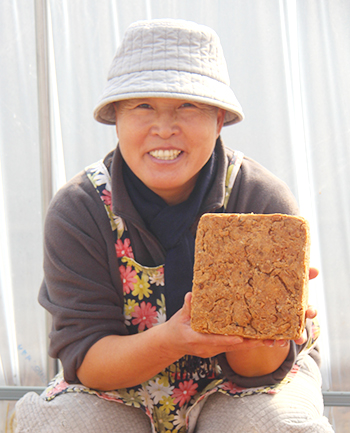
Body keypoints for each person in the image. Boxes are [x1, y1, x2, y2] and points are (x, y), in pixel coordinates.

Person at [14, 19, 334, 433]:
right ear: (116, 119)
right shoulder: (82, 209)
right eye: (142, 106)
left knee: (277, 426)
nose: (164, 128)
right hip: (118, 387)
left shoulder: (261, 205)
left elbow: (260, 372)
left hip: (238, 388)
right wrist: (174, 339)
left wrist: (264, 333)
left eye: (189, 106)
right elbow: (86, 363)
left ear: (219, 120)